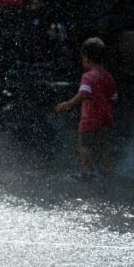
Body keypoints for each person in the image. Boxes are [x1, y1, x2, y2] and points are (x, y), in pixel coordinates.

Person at [55, 37, 117, 180]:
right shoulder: (108, 77)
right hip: (106, 118)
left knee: (84, 145)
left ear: (87, 59)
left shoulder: (88, 77)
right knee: (104, 145)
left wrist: (67, 104)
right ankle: (108, 171)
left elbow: (84, 94)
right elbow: (114, 98)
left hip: (90, 119)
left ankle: (88, 173)